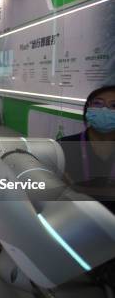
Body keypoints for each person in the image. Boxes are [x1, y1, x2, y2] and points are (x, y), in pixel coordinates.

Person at [58, 85, 115, 213]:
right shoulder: (62, 146)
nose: (104, 110)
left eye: (114, 106)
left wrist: (78, 189)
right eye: (98, 103)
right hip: (74, 218)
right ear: (88, 108)